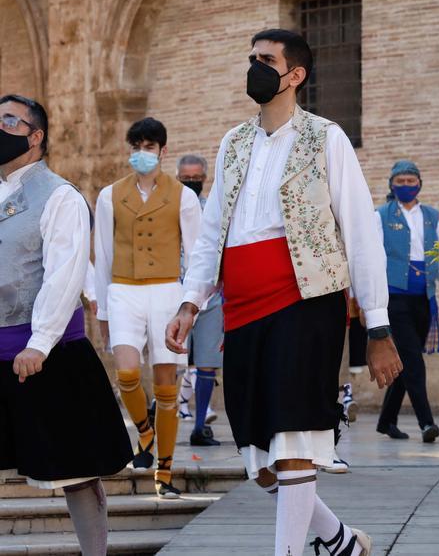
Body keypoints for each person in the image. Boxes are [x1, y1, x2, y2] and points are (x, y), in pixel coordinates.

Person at [165, 28, 403, 556]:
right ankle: (339, 541)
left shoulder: (327, 137)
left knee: (294, 440)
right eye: (252, 58)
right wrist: (190, 301)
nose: (256, 67)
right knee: (258, 457)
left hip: (306, 300)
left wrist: (378, 326)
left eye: (267, 60)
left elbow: (361, 233)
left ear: (294, 75)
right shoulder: (233, 142)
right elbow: (211, 232)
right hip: (243, 307)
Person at [0, 94, 132, 555]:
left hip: (46, 355)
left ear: (35, 137)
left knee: (77, 471)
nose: (0, 126)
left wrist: (39, 344)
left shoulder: (60, 195)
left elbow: (64, 274)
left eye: (9, 121)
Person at [94, 117, 202, 499]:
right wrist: (103, 312)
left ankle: (165, 470)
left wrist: (192, 305)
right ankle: (144, 431)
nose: (142, 154)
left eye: (149, 147)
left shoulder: (183, 197)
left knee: (166, 385)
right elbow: (103, 255)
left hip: (167, 292)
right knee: (125, 372)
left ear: (163, 151)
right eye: (136, 147)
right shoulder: (109, 195)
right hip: (123, 290)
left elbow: (198, 253)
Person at [375, 159, 439, 444]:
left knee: (406, 360)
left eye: (410, 181)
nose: (406, 186)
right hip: (395, 297)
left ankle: (387, 421)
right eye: (400, 182)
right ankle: (426, 422)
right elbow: (375, 258)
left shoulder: (430, 215)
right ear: (392, 184)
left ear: (419, 184)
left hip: (423, 298)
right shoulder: (380, 215)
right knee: (414, 360)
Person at [176, 154, 222, 446]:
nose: (192, 182)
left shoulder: (213, 211)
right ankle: (163, 422)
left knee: (207, 362)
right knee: (171, 360)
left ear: (204, 179)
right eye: (186, 177)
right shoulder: (170, 208)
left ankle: (200, 424)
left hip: (210, 294)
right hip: (174, 291)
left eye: (196, 177)